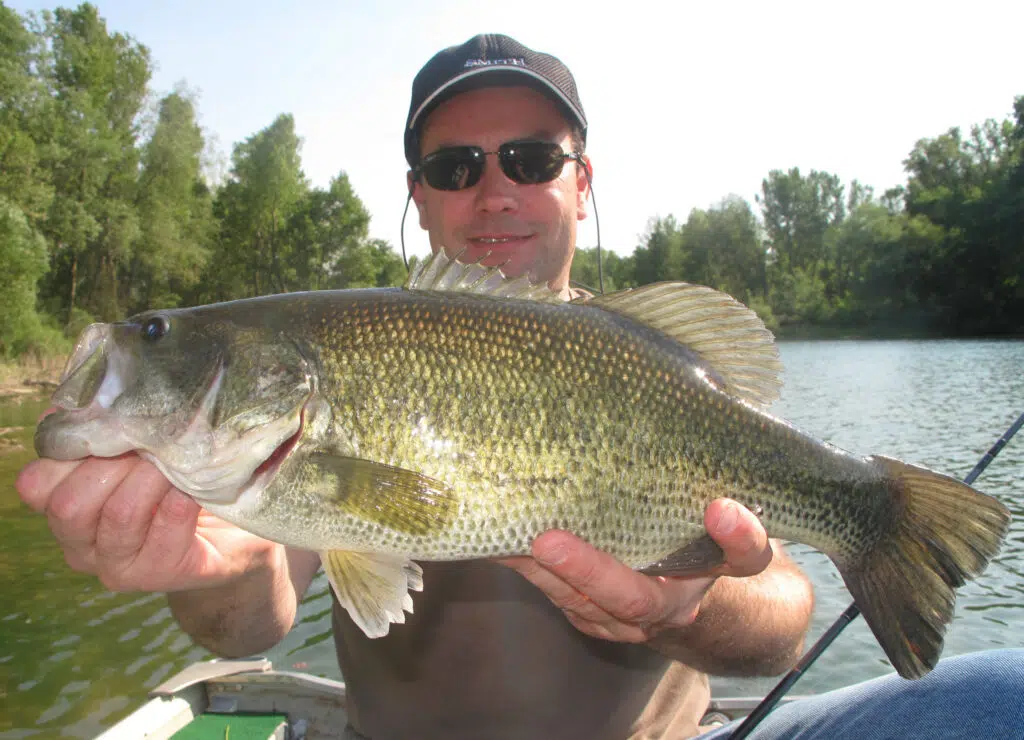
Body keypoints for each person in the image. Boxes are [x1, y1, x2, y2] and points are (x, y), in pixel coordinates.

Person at [16, 33, 1023, 740]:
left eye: (531, 157)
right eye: (453, 165)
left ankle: (887, 516)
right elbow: (255, 608)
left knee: (1004, 697)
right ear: (415, 192)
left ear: (581, 179)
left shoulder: (646, 360)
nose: (491, 189)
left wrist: (682, 611)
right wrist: (206, 572)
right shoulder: (299, 409)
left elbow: (786, 612)